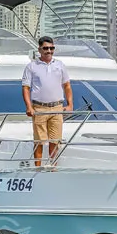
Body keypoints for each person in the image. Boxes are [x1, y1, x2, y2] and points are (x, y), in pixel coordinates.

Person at [22, 36, 73, 166]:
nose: (49, 51)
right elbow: (26, 88)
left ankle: (53, 168)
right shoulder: (31, 66)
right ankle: (37, 168)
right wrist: (29, 107)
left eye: (51, 48)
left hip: (57, 108)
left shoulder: (60, 65)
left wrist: (70, 104)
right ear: (39, 49)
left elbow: (67, 85)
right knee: (39, 141)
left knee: (55, 141)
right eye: (46, 48)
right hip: (39, 108)